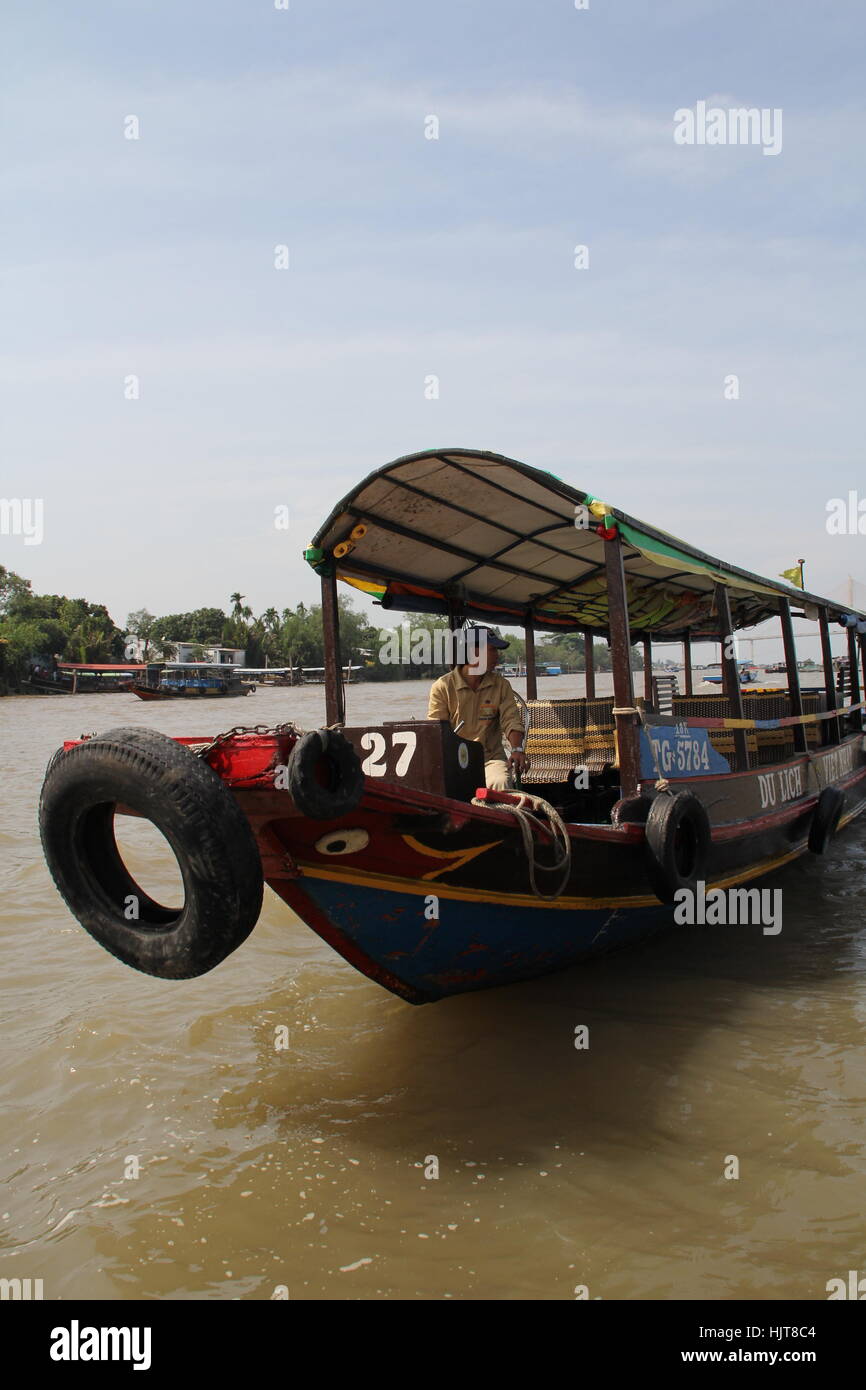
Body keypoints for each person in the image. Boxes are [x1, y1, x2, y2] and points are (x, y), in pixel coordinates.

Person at [427, 626, 527, 791]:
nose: (497, 655)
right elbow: (435, 732)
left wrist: (517, 749)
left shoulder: (501, 685)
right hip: (454, 761)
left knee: (499, 782)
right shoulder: (442, 687)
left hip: (490, 759)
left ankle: (499, 816)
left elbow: (511, 720)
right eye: (492, 649)